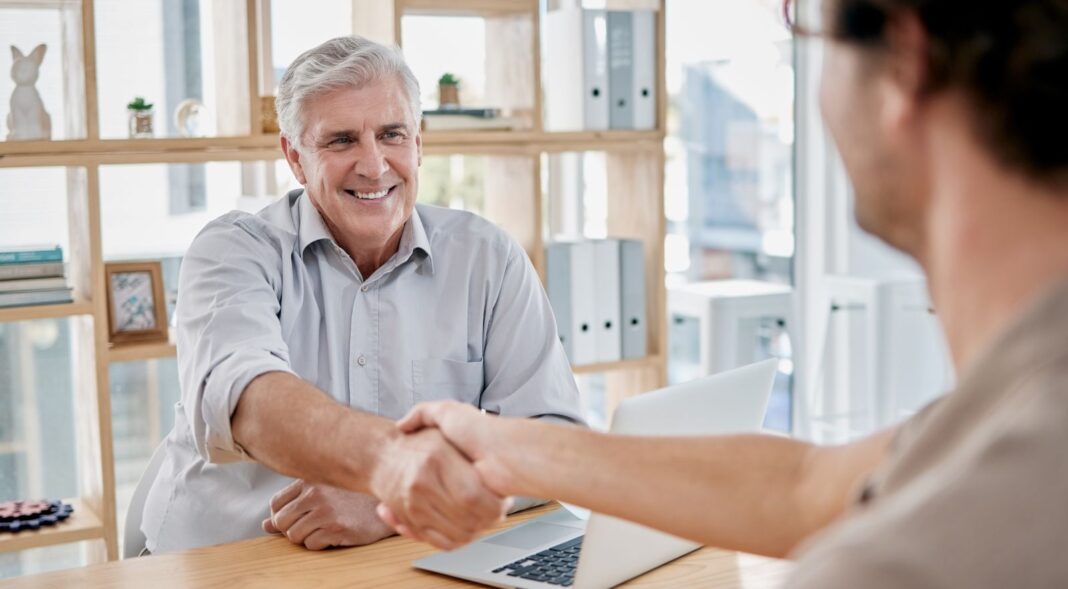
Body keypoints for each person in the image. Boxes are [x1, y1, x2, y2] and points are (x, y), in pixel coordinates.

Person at [388, 0, 1068, 584]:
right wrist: (503, 446)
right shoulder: (1017, 406)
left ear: (903, 62)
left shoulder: (895, 566)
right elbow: (805, 484)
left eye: (805, 21)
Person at [140, 36, 585, 554]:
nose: (373, 165)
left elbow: (554, 442)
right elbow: (250, 404)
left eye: (392, 134)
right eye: (341, 140)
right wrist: (393, 473)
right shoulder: (232, 252)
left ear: (418, 143)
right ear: (296, 158)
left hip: (393, 558)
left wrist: (389, 508)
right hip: (221, 563)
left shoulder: (487, 257)